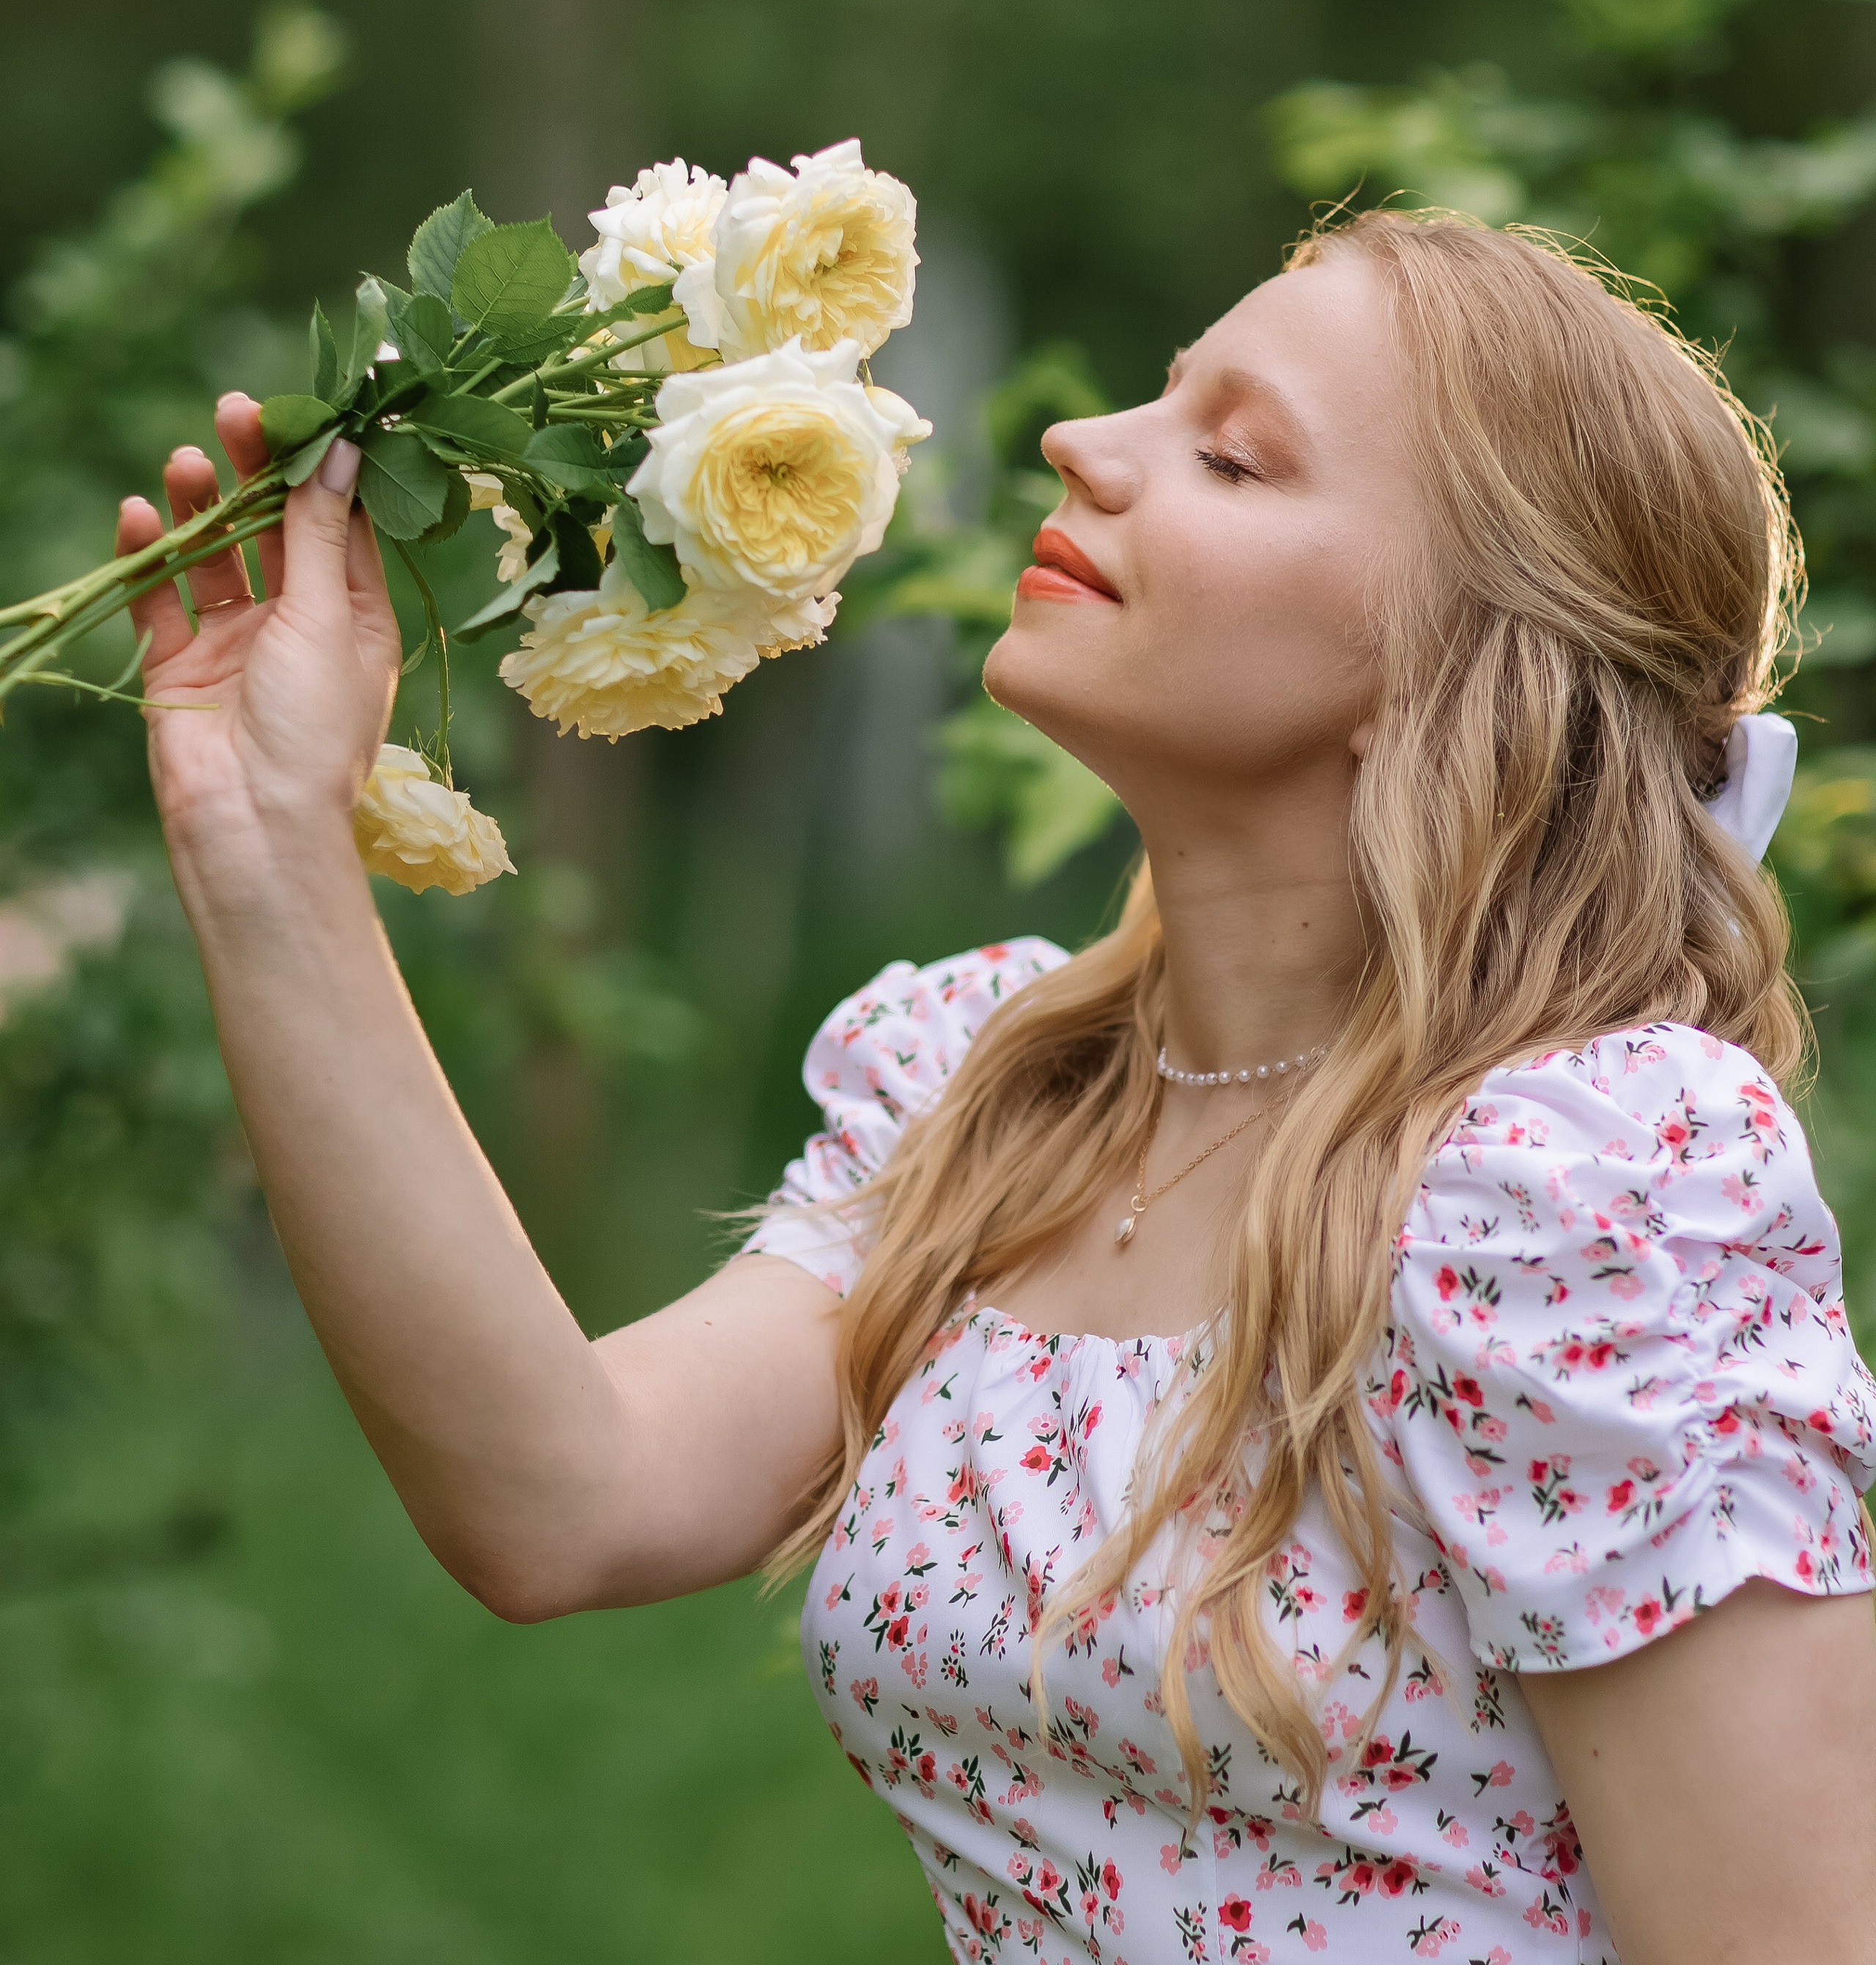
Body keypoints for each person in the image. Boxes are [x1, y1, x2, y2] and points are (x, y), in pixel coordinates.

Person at [117, 208, 1876, 1965]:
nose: (1079, 445)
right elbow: (559, 1498)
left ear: (1445, 659)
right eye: (1154, 397)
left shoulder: (1582, 1191)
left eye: (1231, 457)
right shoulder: (996, 1093)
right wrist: (261, 834)